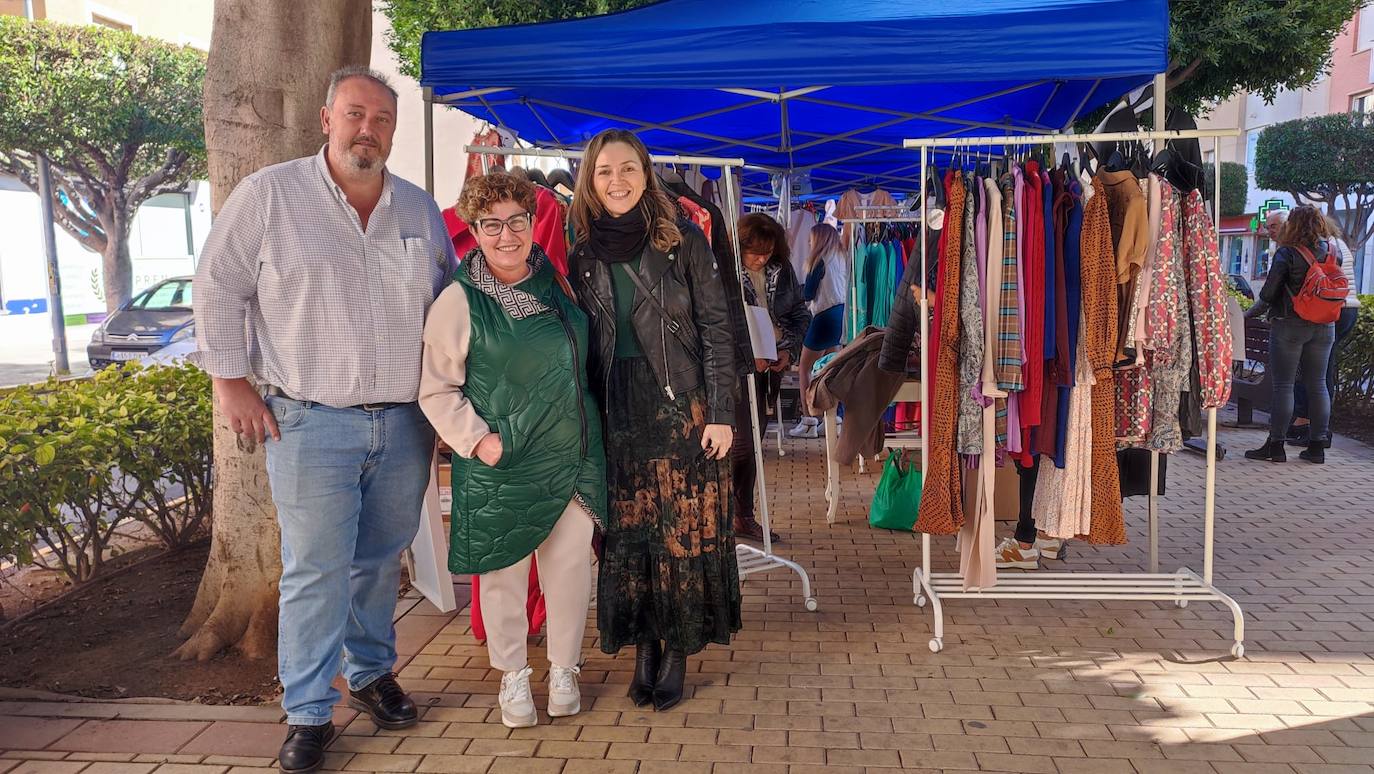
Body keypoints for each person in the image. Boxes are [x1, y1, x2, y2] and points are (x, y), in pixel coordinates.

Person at [193, 67, 454, 773]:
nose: (369, 129)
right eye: (355, 114)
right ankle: (308, 711)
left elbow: (450, 309)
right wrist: (230, 382)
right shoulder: (270, 196)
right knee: (315, 570)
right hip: (310, 422)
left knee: (380, 561)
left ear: (392, 132)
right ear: (326, 119)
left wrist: (451, 407)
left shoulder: (419, 211)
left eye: (382, 119)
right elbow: (217, 283)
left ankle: (369, 674)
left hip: (404, 423)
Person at [418, 172, 605, 729]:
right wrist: (480, 440)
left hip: (571, 453)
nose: (507, 235)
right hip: (503, 459)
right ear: (475, 231)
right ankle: (513, 674)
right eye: (492, 225)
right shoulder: (458, 301)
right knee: (503, 570)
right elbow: (436, 389)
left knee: (569, 567)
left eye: (517, 221)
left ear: (532, 223)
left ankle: (565, 668)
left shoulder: (558, 283)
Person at [568, 128, 740, 712]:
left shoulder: (683, 239)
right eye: (604, 171)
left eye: (628, 169)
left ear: (646, 174)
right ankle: (644, 646)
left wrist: (722, 413)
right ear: (590, 181)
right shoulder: (582, 250)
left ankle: (677, 651)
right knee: (629, 533)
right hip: (615, 404)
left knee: (679, 532)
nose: (617, 180)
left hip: (681, 405)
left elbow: (718, 328)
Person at [734, 213, 813, 542]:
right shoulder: (724, 270)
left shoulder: (783, 270)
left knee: (753, 443)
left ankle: (742, 515)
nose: (761, 259)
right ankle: (729, 514)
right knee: (739, 444)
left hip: (771, 368)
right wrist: (745, 356)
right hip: (734, 371)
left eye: (767, 252)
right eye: (755, 252)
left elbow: (800, 315)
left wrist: (789, 351)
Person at [1245, 204, 1337, 464]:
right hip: (1325, 325)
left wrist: (1246, 315)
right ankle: (1317, 446)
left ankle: (1276, 446)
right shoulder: (1333, 250)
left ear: (1292, 225)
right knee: (1318, 384)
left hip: (1290, 324)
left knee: (1284, 385)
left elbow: (1268, 294)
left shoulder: (1287, 252)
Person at [1287, 215, 1362, 448]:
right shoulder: (1339, 245)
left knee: (1316, 373)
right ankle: (1314, 427)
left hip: (1329, 309)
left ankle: (1314, 428)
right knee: (1322, 371)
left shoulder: (1322, 247)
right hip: (1347, 308)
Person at [789, 222, 848, 439]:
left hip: (823, 316)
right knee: (831, 369)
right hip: (840, 315)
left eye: (811, 239)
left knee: (805, 368)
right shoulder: (842, 257)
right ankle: (832, 418)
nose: (809, 243)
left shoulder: (818, 260)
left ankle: (809, 420)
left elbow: (808, 294)